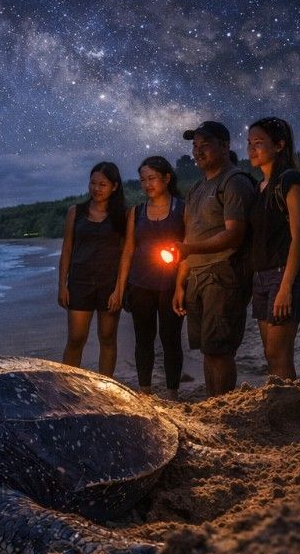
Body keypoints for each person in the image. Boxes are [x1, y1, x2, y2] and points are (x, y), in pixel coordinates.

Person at [172, 120, 257, 396]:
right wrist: (180, 283)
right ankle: (214, 405)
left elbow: (234, 234)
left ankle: (224, 406)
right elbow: (188, 237)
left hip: (223, 275)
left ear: (224, 146)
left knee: (220, 349)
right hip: (196, 276)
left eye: (205, 145)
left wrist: (191, 251)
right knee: (208, 349)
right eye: (195, 147)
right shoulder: (197, 188)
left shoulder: (234, 182)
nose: (198, 152)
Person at [110, 156, 185, 399]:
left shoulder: (182, 208)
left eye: (152, 178)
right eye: (143, 180)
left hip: (171, 284)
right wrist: (120, 289)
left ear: (166, 178)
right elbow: (128, 250)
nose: (147, 184)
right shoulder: (137, 212)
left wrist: (182, 282)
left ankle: (172, 393)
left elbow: (189, 246)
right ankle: (145, 393)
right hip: (140, 283)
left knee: (170, 338)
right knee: (143, 339)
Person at [247, 117, 300, 379]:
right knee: (270, 354)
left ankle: (291, 412)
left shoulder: (290, 181)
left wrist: (286, 287)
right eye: (249, 143)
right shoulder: (259, 187)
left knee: (279, 354)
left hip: (285, 274)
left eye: (259, 143)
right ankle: (279, 407)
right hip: (262, 276)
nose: (252, 149)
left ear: (279, 145)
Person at [57, 162, 127, 374]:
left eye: (103, 184)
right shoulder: (75, 212)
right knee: (76, 339)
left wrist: (119, 290)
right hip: (79, 282)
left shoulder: (123, 216)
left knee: (107, 338)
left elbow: (125, 255)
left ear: (114, 187)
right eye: (93, 183)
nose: (97, 188)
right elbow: (67, 250)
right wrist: (62, 285)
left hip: (109, 284)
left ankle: (105, 386)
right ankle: (66, 385)